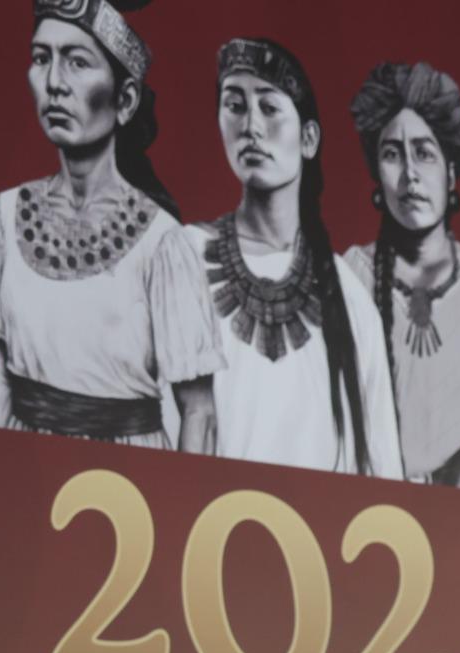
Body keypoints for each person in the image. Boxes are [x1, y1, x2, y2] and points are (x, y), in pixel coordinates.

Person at [0, 0, 223, 451]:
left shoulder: (162, 243)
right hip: (27, 472)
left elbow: (199, 411)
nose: (55, 83)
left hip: (129, 485)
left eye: (78, 62)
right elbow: (2, 382)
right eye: (42, 58)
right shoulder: (4, 217)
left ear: (126, 99)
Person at [184, 38, 402, 476]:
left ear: (308, 138)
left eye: (268, 108)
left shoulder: (350, 298)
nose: (250, 127)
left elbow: (383, 474)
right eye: (235, 106)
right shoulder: (184, 257)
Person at [345, 61, 460, 489]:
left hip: (454, 523)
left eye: (424, 153)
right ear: (376, 174)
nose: (410, 175)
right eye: (392, 154)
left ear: (451, 171)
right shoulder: (350, 275)